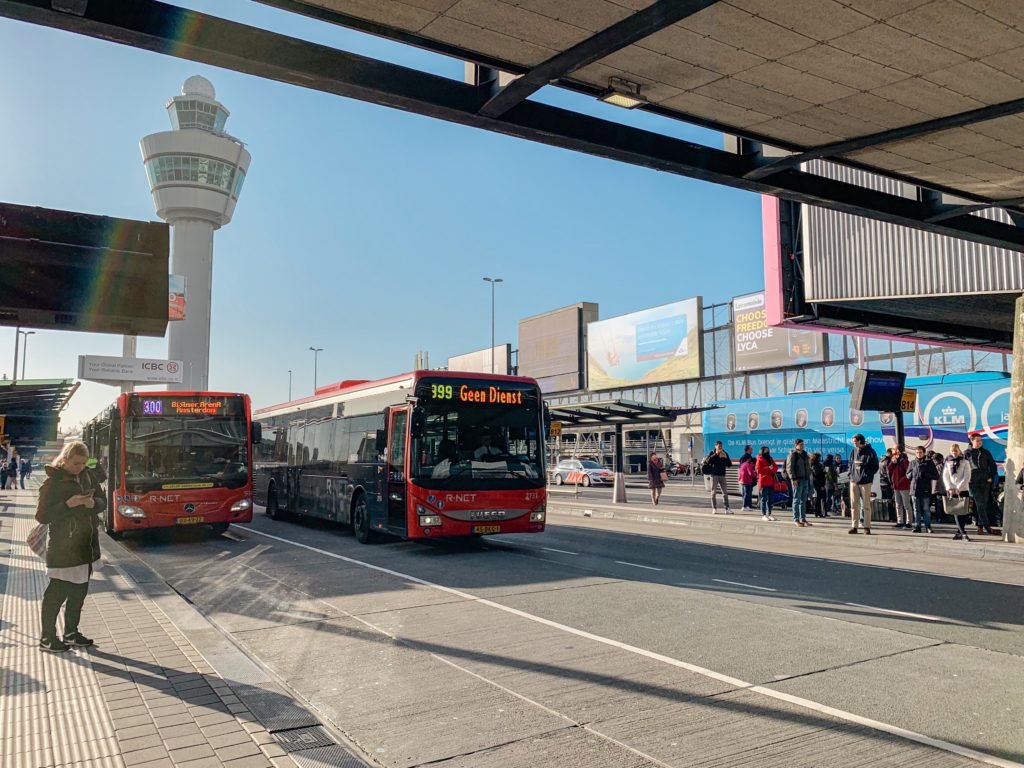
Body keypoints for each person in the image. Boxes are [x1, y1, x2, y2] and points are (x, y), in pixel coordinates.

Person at [35, 441, 106, 653]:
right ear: (64, 459)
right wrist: (69, 504)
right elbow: (42, 515)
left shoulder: (88, 476)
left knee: (79, 592)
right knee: (57, 592)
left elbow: (102, 501)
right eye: (76, 463)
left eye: (84, 463)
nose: (80, 467)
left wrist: (93, 504)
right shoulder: (52, 483)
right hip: (63, 547)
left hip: (86, 544)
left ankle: (71, 633)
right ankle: (47, 638)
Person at [963, 434, 997, 535]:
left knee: (983, 505)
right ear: (972, 441)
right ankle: (987, 527)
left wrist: (991, 476)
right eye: (977, 441)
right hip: (973, 482)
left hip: (985, 481)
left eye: (981, 441)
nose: (980, 442)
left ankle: (980, 526)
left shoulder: (986, 452)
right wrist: (967, 479)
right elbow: (964, 467)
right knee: (980, 504)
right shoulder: (967, 453)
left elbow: (993, 466)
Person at [848, 434, 878, 534]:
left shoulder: (870, 451)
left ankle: (867, 526)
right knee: (854, 505)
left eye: (855, 441)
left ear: (861, 441)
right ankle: (854, 526)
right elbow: (850, 463)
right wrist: (850, 475)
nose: (854, 443)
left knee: (866, 505)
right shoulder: (854, 451)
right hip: (854, 481)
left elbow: (875, 466)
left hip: (865, 482)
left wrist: (867, 473)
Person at [943, 444, 972, 541]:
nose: (954, 452)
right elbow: (945, 476)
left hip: (963, 489)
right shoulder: (948, 462)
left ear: (959, 451)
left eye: (955, 451)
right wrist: (950, 487)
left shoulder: (965, 462)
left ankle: (959, 532)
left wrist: (959, 487)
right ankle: (963, 533)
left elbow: (967, 476)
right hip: (952, 490)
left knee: (963, 512)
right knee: (956, 511)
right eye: (952, 451)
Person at [908, 445, 938, 533]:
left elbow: (936, 475)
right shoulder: (912, 462)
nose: (919, 454)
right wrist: (912, 474)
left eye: (920, 452)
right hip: (915, 489)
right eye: (917, 452)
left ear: (924, 453)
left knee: (926, 509)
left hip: (925, 489)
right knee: (916, 509)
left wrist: (925, 474)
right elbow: (907, 474)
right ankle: (917, 526)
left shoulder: (929, 463)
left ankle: (928, 526)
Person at [786, 438, 812, 527]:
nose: (802, 446)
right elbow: (789, 468)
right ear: (796, 445)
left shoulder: (805, 454)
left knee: (803, 500)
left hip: (805, 479)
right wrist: (793, 479)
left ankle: (803, 518)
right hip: (797, 480)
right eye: (800, 444)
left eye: (803, 444)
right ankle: (796, 519)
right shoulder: (793, 455)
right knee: (796, 500)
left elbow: (808, 466)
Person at [702, 441, 732, 514]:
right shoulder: (712, 453)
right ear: (715, 446)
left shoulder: (725, 453)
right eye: (719, 447)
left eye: (721, 446)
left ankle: (727, 508)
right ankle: (714, 508)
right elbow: (707, 461)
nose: (720, 448)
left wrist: (726, 457)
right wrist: (716, 454)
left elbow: (729, 464)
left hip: (722, 475)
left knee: (725, 493)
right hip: (714, 475)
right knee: (713, 493)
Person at [887, 445, 912, 529]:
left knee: (906, 504)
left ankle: (909, 522)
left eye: (894, 449)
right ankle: (900, 521)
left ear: (898, 450)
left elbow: (907, 472)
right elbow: (889, 470)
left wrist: (902, 481)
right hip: (896, 485)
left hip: (904, 485)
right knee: (898, 504)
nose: (893, 450)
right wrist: (893, 463)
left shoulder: (904, 460)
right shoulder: (894, 459)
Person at [755, 446, 777, 522]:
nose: (767, 452)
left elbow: (775, 467)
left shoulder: (770, 458)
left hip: (771, 481)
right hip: (763, 482)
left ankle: (770, 514)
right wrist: (768, 468)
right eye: (765, 451)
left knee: (770, 499)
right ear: (762, 451)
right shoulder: (759, 459)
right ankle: (763, 514)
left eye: (768, 450)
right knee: (764, 499)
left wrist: (770, 469)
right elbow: (758, 470)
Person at [878, 448, 894, 523]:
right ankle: (891, 516)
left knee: (884, 500)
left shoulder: (881, 460)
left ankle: (884, 515)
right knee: (889, 500)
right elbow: (888, 473)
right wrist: (892, 483)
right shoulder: (888, 461)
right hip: (887, 483)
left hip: (882, 482)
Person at [810, 452, 825, 517]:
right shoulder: (815, 465)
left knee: (819, 497)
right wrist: (823, 473)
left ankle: (818, 512)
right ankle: (817, 512)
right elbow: (816, 473)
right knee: (818, 498)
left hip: (818, 482)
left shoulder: (816, 464)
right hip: (817, 482)